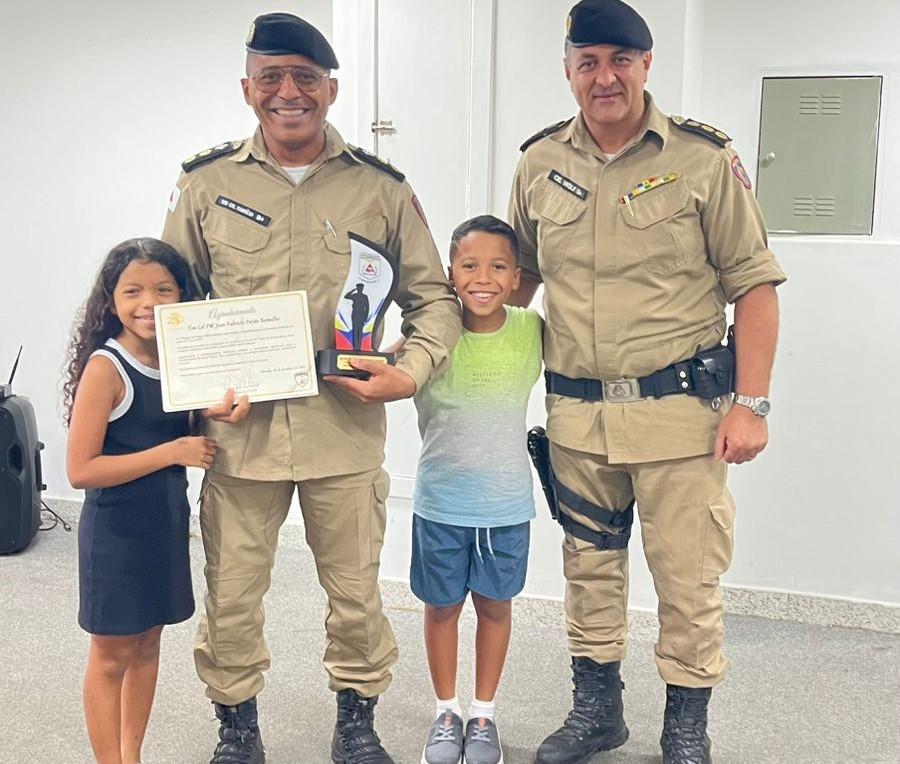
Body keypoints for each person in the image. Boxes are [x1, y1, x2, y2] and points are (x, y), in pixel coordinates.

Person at [161, 12, 461, 764]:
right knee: (231, 597)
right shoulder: (204, 184)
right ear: (247, 88)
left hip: (343, 430)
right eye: (272, 78)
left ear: (331, 88)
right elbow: (164, 303)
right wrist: (194, 389)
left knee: (357, 598)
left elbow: (436, 303)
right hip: (241, 434)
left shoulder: (381, 189)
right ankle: (237, 729)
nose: (288, 93)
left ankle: (356, 722)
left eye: (304, 79)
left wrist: (408, 372)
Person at [507, 2, 786, 763]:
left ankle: (685, 728)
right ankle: (598, 713)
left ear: (647, 65)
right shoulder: (537, 164)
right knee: (588, 574)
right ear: (568, 70)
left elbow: (754, 286)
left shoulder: (701, 159)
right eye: (588, 61)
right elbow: (516, 279)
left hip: (679, 416)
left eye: (620, 60)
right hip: (576, 419)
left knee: (687, 579)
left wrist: (751, 406)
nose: (605, 77)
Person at [64, 238, 246, 764]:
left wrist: (217, 413)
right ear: (110, 299)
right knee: (110, 655)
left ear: (182, 294)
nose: (149, 302)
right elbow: (81, 470)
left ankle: (131, 756)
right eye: (134, 291)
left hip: (164, 525)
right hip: (115, 537)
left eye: (164, 289)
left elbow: (183, 428)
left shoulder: (176, 359)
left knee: (147, 647)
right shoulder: (106, 367)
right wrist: (173, 451)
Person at [408, 216, 542, 764]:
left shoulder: (532, 332)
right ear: (450, 274)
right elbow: (379, 366)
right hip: (439, 503)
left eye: (497, 267)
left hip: (506, 506)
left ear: (516, 278)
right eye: (469, 266)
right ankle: (447, 711)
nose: (482, 278)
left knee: (494, 606)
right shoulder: (431, 339)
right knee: (441, 608)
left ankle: (483, 714)